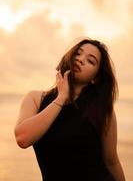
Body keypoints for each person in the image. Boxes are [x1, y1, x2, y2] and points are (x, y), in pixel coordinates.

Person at [14, 38, 125, 181]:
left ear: (95, 78)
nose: (80, 59)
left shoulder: (102, 110)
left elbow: (111, 161)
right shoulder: (36, 99)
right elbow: (23, 138)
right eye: (78, 53)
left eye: (90, 61)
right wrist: (61, 99)